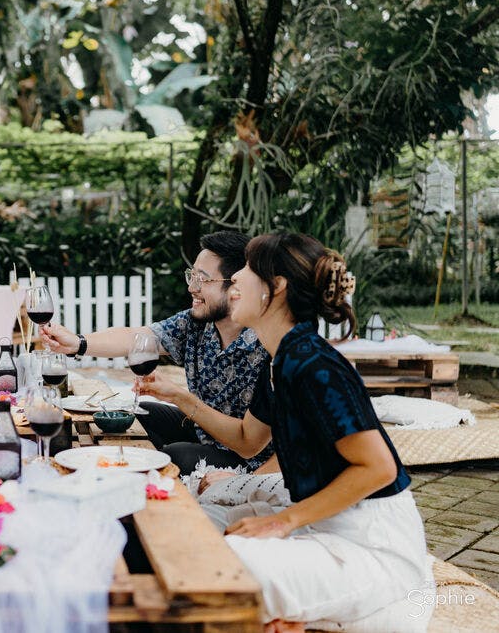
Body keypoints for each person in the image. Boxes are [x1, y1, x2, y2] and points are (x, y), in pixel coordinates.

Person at [138, 233, 425, 630]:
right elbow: (245, 439)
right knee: (203, 515)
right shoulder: (280, 360)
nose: (234, 279)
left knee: (230, 562)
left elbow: (379, 469)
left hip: (369, 544)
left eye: (247, 270)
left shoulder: (315, 367)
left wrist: (283, 522)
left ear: (275, 288)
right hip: (322, 516)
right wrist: (180, 398)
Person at [41, 231, 272, 475]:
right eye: (191, 276)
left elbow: (261, 442)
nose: (191, 288)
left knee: (174, 455)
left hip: (251, 459)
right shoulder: (196, 324)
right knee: (135, 417)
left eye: (202, 280)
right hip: (204, 430)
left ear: (236, 285)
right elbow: (137, 337)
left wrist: (178, 396)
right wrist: (78, 343)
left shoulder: (267, 343)